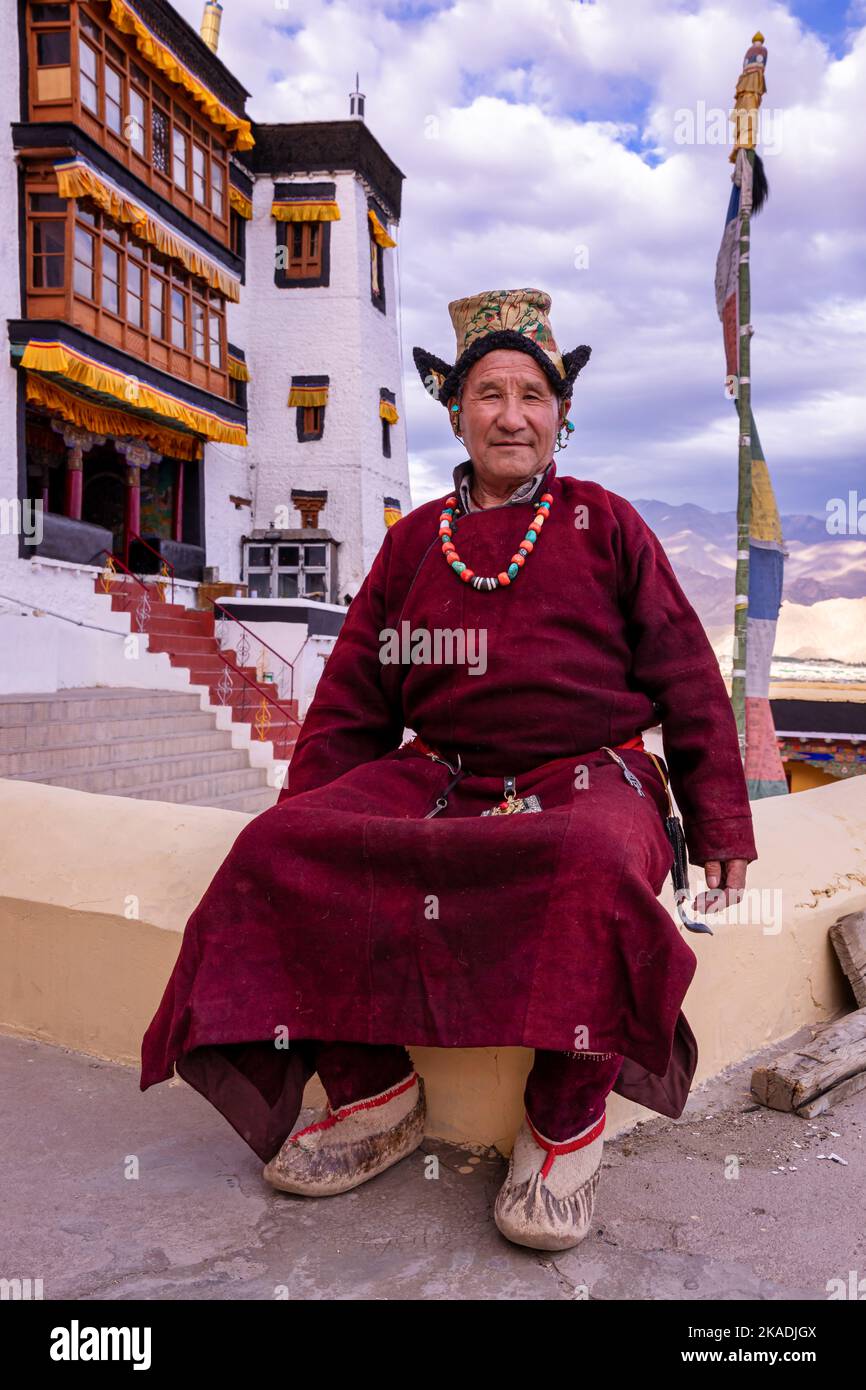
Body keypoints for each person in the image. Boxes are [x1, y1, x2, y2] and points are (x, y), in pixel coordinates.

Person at [140, 287, 757, 1252]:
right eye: (489, 394)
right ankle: (376, 1094)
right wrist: (318, 827)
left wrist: (721, 821)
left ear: (562, 413)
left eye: (534, 396)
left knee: (595, 863)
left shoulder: (609, 522)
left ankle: (561, 1130)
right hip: (442, 774)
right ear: (456, 411)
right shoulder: (411, 540)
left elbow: (685, 671)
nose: (513, 415)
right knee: (279, 847)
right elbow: (351, 701)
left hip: (588, 775)